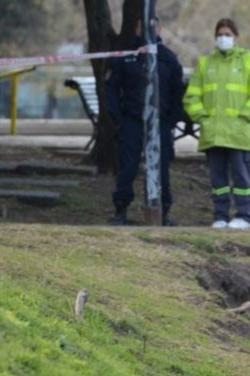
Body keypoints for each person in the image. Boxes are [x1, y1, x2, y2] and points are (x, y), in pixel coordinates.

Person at [183, 17, 250, 229]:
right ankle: (220, 216)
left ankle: (245, 216)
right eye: (220, 35)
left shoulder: (249, 62)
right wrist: (202, 117)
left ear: (236, 37)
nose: (223, 38)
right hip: (213, 133)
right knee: (218, 181)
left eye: (228, 35)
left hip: (239, 133)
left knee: (242, 179)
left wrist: (245, 116)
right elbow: (191, 97)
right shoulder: (205, 64)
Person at [105, 17, 184, 226]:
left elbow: (178, 92)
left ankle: (163, 213)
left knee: (161, 169)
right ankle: (121, 210)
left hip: (160, 123)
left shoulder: (168, 58)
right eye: (143, 27)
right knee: (128, 168)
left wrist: (170, 120)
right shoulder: (128, 57)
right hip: (132, 121)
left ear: (160, 29)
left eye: (153, 26)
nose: (148, 31)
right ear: (136, 29)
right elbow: (112, 89)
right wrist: (118, 119)